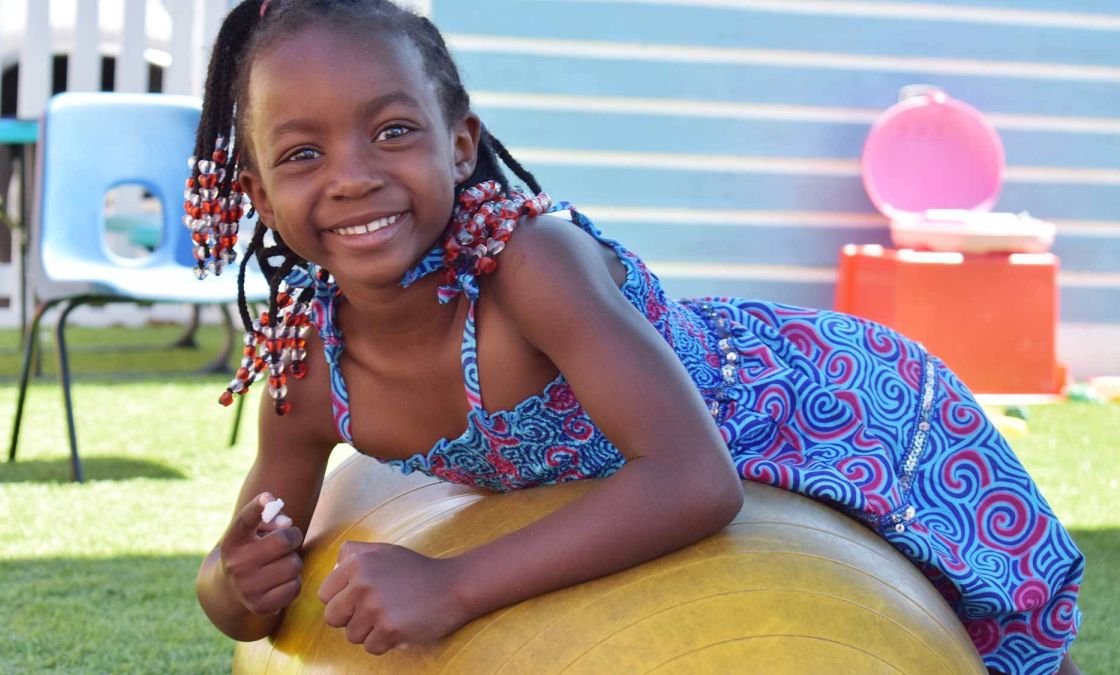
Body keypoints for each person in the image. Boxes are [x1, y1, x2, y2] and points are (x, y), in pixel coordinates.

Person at [189, 1, 1084, 672]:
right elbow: (237, 578)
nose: (352, 178)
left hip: (836, 411)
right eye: (303, 154)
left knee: (1005, 634)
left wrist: (450, 584)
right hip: (738, 441)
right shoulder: (306, 369)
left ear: (460, 146)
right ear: (261, 195)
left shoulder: (529, 265)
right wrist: (237, 584)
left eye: (392, 131)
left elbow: (696, 481)